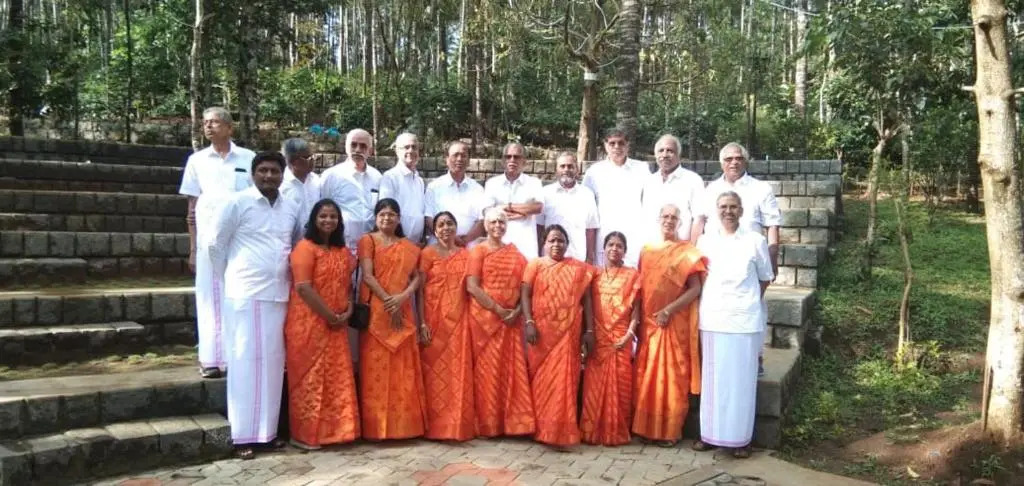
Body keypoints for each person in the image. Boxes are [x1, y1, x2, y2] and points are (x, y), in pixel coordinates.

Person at [207, 151, 301, 459]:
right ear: (253, 173)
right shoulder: (237, 203)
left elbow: (294, 244)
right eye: (263, 170)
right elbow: (215, 244)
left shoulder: (291, 206)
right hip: (245, 293)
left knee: (273, 364)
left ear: (283, 175)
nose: (269, 176)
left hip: (278, 294)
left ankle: (267, 433)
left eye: (275, 171)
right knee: (244, 361)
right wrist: (229, 279)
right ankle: (241, 435)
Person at [692, 191, 773, 459]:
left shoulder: (756, 241)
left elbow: (765, 277)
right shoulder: (705, 241)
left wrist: (747, 300)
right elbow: (699, 277)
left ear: (741, 210)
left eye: (733, 207)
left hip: (744, 320)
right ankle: (709, 435)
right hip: (714, 318)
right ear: (716, 210)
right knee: (713, 381)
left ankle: (741, 440)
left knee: (741, 382)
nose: (728, 211)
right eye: (723, 207)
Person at [178, 106, 255, 379]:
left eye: (215, 122)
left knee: (238, 295)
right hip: (208, 240)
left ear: (229, 128)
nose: (209, 126)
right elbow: (191, 208)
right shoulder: (197, 160)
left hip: (241, 241)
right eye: (205, 123)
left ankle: (236, 356)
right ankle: (210, 358)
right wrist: (192, 248)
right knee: (209, 298)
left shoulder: (248, 158)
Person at [284, 199, 360, 450]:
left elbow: (347, 286)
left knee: (335, 377)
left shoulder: (342, 252)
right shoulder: (304, 248)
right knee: (310, 379)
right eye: (323, 216)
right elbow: (303, 288)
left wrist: (348, 309)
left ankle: (336, 433)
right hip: (308, 323)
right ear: (314, 220)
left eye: (333, 216)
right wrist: (330, 315)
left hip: (337, 323)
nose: (328, 220)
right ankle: (304, 435)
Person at [632, 204, 706, 446]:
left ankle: (670, 432)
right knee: (648, 375)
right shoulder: (647, 251)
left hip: (674, 322)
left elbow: (695, 288)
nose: (669, 220)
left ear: (680, 222)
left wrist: (668, 310)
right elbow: (642, 287)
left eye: (674, 217)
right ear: (658, 219)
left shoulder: (687, 252)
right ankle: (645, 429)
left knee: (673, 376)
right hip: (650, 324)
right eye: (665, 216)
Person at [357, 198, 427, 440]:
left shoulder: (409, 246)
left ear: (399, 219)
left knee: (402, 369)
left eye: (391, 214)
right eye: (382, 214)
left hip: (402, 310)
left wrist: (402, 297)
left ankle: (404, 427)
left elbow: (417, 277)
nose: (387, 218)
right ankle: (376, 429)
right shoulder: (367, 241)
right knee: (375, 369)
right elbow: (367, 276)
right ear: (376, 218)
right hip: (377, 312)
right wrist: (389, 300)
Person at [521, 224, 596, 448]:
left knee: (564, 381)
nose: (556, 244)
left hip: (568, 334)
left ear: (567, 244)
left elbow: (587, 300)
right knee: (540, 381)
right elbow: (525, 294)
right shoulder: (534, 265)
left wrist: (589, 330)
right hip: (540, 333)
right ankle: (540, 429)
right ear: (544, 243)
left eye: (561, 240)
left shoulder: (579, 269)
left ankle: (560, 432)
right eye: (552, 240)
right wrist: (529, 322)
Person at [466, 207, 536, 437]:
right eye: (493, 222)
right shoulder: (478, 251)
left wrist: (516, 311)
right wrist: (498, 309)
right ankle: (488, 424)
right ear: (485, 226)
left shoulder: (515, 254)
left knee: (509, 371)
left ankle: (512, 424)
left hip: (510, 321)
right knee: (487, 372)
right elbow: (472, 286)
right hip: (485, 320)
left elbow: (526, 287)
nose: (498, 226)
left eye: (502, 222)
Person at [416, 211, 476, 441]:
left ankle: (457, 425)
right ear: (434, 230)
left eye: (450, 224)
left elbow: (470, 289)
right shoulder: (427, 254)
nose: (445, 228)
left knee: (457, 374)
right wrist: (422, 322)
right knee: (433, 374)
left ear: (456, 227)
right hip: (434, 321)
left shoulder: (466, 255)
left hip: (459, 322)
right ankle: (434, 426)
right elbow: (420, 291)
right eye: (440, 225)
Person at [580, 231, 641, 446]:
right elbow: (586, 306)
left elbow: (636, 311)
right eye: (611, 245)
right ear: (603, 249)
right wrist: (588, 334)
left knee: (621, 386)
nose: (615, 249)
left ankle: (615, 431)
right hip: (598, 339)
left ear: (625, 251)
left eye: (619, 246)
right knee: (593, 387)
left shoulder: (632, 275)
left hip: (621, 339)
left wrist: (629, 335)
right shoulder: (594, 274)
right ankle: (591, 432)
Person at [691, 142, 781, 276]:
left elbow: (772, 225)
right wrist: (692, 256)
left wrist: (772, 257)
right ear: (721, 164)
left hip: (748, 258)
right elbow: (699, 222)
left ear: (745, 162)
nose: (734, 162)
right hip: (714, 259)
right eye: (729, 159)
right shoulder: (710, 189)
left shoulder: (761, 189)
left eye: (739, 158)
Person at [582, 127, 650, 267]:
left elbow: (650, 201)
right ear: (605, 145)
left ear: (627, 145)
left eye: (621, 143)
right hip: (604, 234)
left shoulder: (642, 169)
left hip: (634, 234)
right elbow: (586, 206)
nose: (617, 147)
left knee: (632, 274)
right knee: (604, 275)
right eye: (612, 143)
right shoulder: (594, 172)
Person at [321, 128, 382, 250]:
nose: (358, 150)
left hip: (370, 248)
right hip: (340, 247)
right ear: (346, 147)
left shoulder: (377, 177)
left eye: (363, 146)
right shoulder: (331, 176)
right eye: (353, 145)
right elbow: (321, 212)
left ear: (370, 151)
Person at [640, 134, 705, 247]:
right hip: (651, 249)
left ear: (679, 155)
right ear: (655, 155)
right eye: (661, 151)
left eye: (670, 151)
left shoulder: (692, 180)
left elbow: (699, 219)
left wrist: (692, 250)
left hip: (680, 251)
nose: (665, 155)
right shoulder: (648, 182)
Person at [484, 143, 544, 259]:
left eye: (516, 157)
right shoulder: (492, 184)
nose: (512, 160)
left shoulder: (534, 183)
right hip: (499, 245)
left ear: (524, 161)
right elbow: (487, 212)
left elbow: (538, 207)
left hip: (526, 248)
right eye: (508, 157)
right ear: (503, 161)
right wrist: (524, 212)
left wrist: (507, 206)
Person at [538, 152, 599, 264]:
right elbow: (539, 227)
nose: (566, 169)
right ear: (556, 170)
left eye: (570, 166)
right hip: (550, 260)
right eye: (562, 166)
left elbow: (590, 229)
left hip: (577, 260)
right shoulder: (545, 193)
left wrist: (590, 258)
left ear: (577, 170)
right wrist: (538, 255)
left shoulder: (587, 194)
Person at [424, 141, 487, 246]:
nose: (459, 159)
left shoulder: (478, 189)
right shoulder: (434, 187)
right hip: (440, 248)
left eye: (463, 155)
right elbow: (428, 218)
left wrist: (465, 240)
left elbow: (481, 220)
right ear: (447, 159)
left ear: (468, 160)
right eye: (455, 155)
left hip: (469, 248)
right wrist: (449, 239)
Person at [379, 133, 427, 246]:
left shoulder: (419, 180)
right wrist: (402, 242)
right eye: (406, 147)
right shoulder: (390, 177)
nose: (411, 150)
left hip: (417, 245)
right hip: (397, 244)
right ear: (397, 151)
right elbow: (386, 213)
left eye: (414, 147)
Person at [280, 138, 322, 243]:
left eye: (313, 156)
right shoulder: (281, 185)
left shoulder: (316, 180)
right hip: (288, 244)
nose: (313, 160)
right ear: (294, 162)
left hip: (314, 244)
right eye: (308, 157)